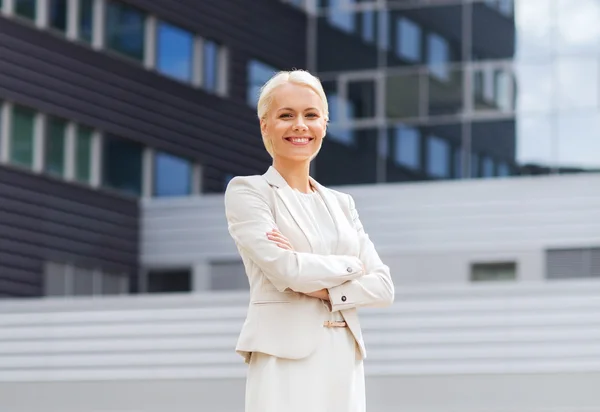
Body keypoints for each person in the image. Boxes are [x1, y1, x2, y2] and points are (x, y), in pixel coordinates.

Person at [224, 69, 394, 412]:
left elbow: (383, 287)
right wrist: (351, 267)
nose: (300, 125)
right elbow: (288, 271)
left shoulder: (342, 204)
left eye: (311, 115)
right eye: (286, 115)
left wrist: (322, 286)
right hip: (283, 355)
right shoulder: (249, 192)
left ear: (325, 125)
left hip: (343, 356)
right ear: (265, 125)